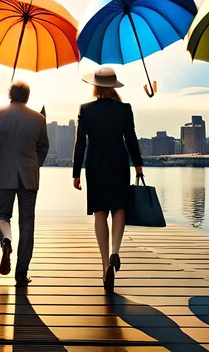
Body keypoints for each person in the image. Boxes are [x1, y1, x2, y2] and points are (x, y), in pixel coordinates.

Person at [72, 67, 143, 290]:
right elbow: (131, 138)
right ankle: (115, 251)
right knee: (119, 208)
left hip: (95, 166)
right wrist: (138, 166)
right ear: (113, 86)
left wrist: (76, 173)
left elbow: (80, 143)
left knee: (100, 213)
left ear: (95, 86)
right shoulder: (124, 109)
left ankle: (105, 267)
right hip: (119, 164)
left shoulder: (86, 109)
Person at [0, 81, 49, 286]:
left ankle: (6, 240)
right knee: (27, 223)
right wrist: (33, 165)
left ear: (10, 94)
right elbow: (43, 148)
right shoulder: (38, 118)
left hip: (4, 174)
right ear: (28, 96)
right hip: (29, 177)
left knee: (2, 215)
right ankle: (21, 272)